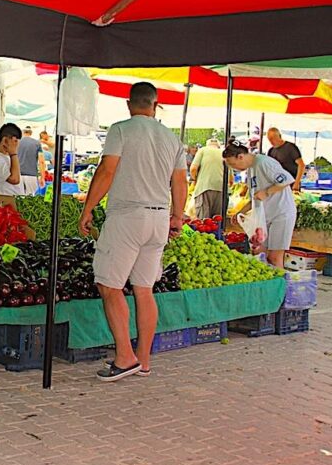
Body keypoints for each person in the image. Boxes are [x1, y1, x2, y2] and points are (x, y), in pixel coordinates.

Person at [79, 83, 186, 382]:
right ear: (156, 105)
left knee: (109, 285)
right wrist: (176, 216)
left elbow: (107, 170)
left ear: (129, 104)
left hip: (127, 217)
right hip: (158, 219)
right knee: (143, 289)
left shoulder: (121, 129)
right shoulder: (171, 138)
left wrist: (88, 208)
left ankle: (125, 357)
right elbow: (180, 183)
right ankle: (144, 360)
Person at [223, 142, 297, 269]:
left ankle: (279, 286)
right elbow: (255, 196)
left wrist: (267, 192)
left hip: (281, 214)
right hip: (266, 217)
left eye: (233, 164)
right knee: (261, 254)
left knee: (274, 257)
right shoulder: (251, 169)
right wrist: (240, 211)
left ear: (240, 156)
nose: (234, 168)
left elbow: (287, 179)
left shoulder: (264, 163)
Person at [0, 123, 24, 205]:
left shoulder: (6, 157)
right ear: (5, 140)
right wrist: (13, 153)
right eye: (15, 141)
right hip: (2, 203)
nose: (17, 144)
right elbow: (14, 179)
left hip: (10, 201)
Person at [189, 139, 224, 219]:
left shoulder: (203, 150)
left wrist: (195, 180)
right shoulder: (223, 153)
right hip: (221, 189)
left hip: (204, 187)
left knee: (203, 221)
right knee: (217, 221)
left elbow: (193, 168)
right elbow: (231, 179)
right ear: (218, 146)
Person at [17, 127, 46, 195]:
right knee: (30, 199)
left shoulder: (16, 142)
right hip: (31, 176)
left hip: (17, 175)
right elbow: (41, 161)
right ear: (31, 133)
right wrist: (42, 177)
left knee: (18, 198)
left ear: (23, 132)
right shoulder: (37, 143)